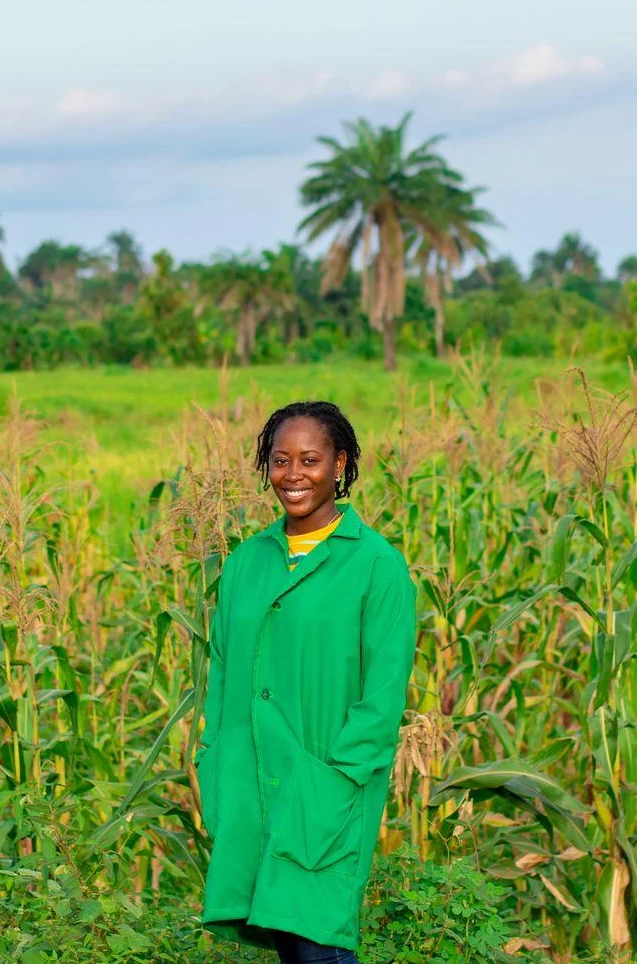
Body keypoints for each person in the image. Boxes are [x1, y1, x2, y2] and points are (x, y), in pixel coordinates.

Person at [196, 400, 420, 964]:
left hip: (326, 791)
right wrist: (213, 758)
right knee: (290, 951)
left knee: (320, 947)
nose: (293, 475)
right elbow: (221, 671)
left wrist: (339, 783)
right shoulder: (246, 562)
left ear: (341, 464)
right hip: (249, 785)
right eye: (280, 460)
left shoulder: (376, 566)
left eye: (311, 460)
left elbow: (383, 694)